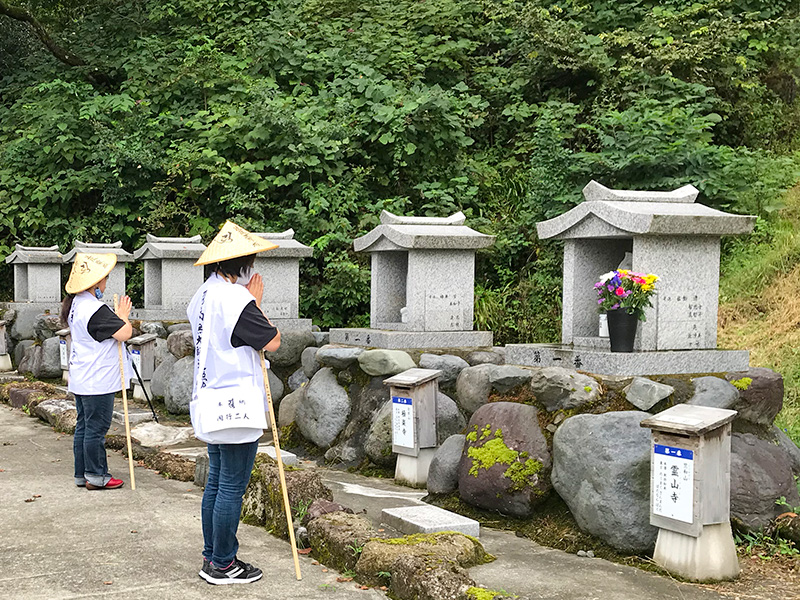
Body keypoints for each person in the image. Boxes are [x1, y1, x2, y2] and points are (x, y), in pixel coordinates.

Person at [187, 221, 281, 585]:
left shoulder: (202, 296)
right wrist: (256, 302)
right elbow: (271, 341)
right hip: (238, 401)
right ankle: (223, 563)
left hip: (211, 397)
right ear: (240, 264)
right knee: (231, 486)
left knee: (216, 481)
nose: (253, 270)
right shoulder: (237, 299)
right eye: (251, 262)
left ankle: (213, 555)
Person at [61, 253, 133, 490]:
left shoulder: (75, 306)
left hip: (83, 376)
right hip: (97, 380)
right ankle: (96, 475)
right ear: (94, 283)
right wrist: (123, 316)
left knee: (84, 426)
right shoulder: (94, 309)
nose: (105, 284)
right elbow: (124, 333)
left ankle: (81, 474)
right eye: (104, 280)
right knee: (96, 428)